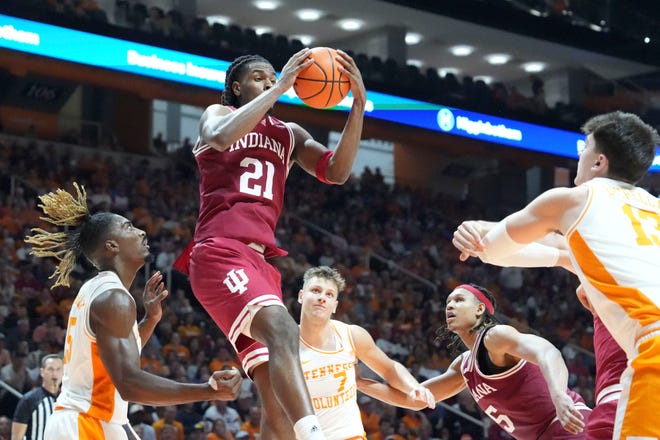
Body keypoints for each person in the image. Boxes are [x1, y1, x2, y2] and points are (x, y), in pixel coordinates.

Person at [174, 48, 366, 440]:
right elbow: (220, 137)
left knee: (274, 398)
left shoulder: (289, 133)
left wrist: (358, 107)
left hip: (260, 263)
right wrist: (279, 87)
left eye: (270, 76)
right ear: (236, 87)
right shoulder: (219, 114)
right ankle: (316, 434)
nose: (267, 80)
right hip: (219, 250)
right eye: (258, 77)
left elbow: (338, 171)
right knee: (283, 331)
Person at [451, 111, 660, 438]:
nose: (579, 153)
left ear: (598, 162)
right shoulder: (651, 211)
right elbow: (563, 251)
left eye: (584, 146)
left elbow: (494, 249)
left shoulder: (570, 200)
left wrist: (476, 233)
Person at [23, 183, 242, 440]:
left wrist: (150, 320)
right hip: (85, 422)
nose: (141, 232)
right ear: (112, 246)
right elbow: (129, 384)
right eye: (128, 227)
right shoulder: (114, 298)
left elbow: (111, 357)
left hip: (96, 420)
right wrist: (209, 391)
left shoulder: (96, 288)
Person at [452, 222, 627, 440]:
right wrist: (479, 231)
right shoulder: (601, 263)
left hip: (625, 393)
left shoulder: (612, 265)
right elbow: (554, 245)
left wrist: (483, 236)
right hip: (619, 397)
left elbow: (552, 245)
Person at [364, 284, 591, 438]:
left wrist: (559, 395)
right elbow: (416, 399)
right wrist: (359, 383)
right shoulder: (463, 365)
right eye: (448, 303)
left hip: (568, 423)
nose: (450, 306)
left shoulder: (495, 337)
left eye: (459, 300)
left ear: (480, 309)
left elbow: (548, 352)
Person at [297, 266, 435, 440]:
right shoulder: (283, 345)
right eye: (316, 291)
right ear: (301, 296)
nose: (322, 298)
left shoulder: (352, 335)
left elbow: (389, 369)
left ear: (335, 306)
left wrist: (414, 387)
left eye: (329, 294)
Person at [11, 354, 63, 440]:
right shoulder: (29, 399)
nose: (55, 373)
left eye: (58, 369)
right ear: (42, 372)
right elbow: (16, 437)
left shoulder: (67, 400)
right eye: (50, 369)